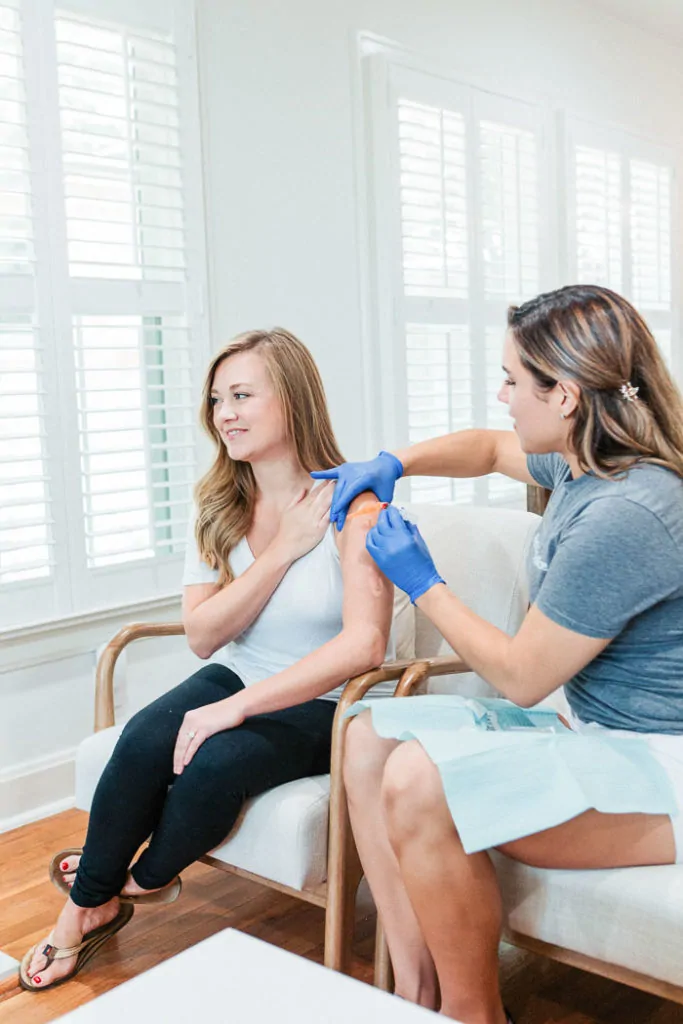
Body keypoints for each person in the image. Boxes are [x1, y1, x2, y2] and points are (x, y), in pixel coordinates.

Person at [314, 285, 683, 1024]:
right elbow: (485, 447)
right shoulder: (582, 462)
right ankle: (411, 995)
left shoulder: (626, 513)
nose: (502, 393)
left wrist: (421, 582)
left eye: (514, 378)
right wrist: (395, 460)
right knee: (365, 736)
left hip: (660, 764)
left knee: (420, 778)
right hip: (596, 736)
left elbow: (519, 678)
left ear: (567, 395)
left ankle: (471, 1013)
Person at [21, 327, 394, 991]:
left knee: (212, 767)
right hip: (240, 670)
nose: (224, 413)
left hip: (327, 700)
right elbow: (202, 635)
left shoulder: (355, 506)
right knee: (138, 743)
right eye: (217, 398)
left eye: (242, 395)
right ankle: (82, 910)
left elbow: (363, 644)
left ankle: (137, 881)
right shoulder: (219, 504)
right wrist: (281, 549)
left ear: (293, 401)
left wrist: (233, 709)